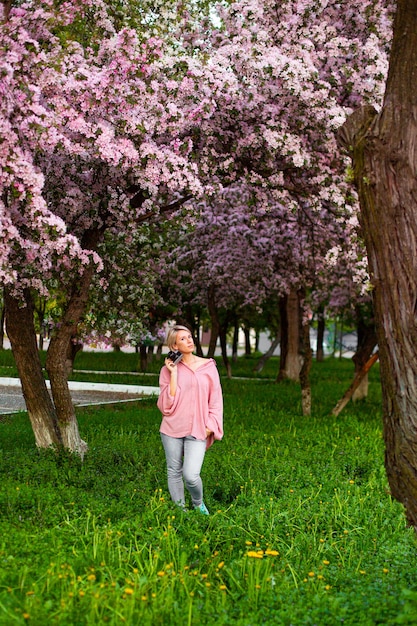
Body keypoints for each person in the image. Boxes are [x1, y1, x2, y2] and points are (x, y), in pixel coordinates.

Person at [157, 325, 223, 515]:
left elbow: (216, 400)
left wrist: (211, 426)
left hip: (199, 429)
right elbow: (165, 406)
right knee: (174, 471)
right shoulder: (167, 370)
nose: (190, 341)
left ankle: (197, 503)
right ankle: (181, 512)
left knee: (191, 475)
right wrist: (174, 373)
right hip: (171, 428)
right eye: (183, 339)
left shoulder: (208, 367)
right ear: (174, 346)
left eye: (190, 337)